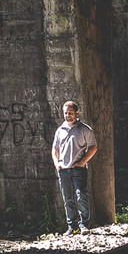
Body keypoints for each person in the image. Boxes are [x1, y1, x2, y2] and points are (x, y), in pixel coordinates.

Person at [51, 100, 97, 235]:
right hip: (63, 169)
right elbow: (55, 149)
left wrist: (83, 161)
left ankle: (84, 225)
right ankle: (72, 226)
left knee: (81, 196)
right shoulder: (60, 130)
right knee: (67, 198)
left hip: (78, 168)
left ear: (77, 113)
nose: (68, 115)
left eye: (70, 112)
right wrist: (56, 163)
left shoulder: (85, 129)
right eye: (65, 113)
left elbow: (93, 147)